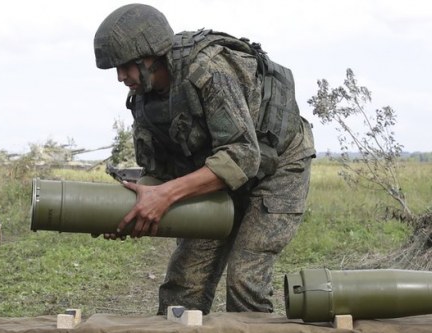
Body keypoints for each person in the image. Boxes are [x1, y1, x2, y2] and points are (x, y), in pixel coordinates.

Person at [94, 4, 316, 316]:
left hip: (277, 168)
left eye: (125, 66)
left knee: (245, 281)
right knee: (183, 285)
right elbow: (158, 173)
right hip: (215, 174)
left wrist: (167, 195)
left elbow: (242, 155)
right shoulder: (145, 101)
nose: (120, 77)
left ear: (150, 56)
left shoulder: (208, 70)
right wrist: (128, 212)